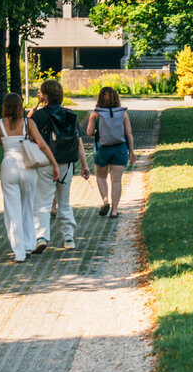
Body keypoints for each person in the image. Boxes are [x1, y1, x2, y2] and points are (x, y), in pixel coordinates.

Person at [0, 93, 59, 262]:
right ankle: (29, 244)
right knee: (27, 207)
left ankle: (19, 252)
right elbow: (43, 145)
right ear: (20, 106)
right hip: (28, 168)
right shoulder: (28, 123)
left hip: (9, 166)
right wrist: (53, 164)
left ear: (4, 107)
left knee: (12, 211)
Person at [29, 80, 90, 251]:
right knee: (64, 201)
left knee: (42, 201)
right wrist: (84, 164)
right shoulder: (70, 115)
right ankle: (68, 238)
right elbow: (78, 142)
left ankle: (41, 236)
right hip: (66, 163)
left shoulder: (37, 117)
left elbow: (31, 141)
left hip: (43, 163)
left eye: (40, 92)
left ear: (45, 96)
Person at [86, 87, 136, 218]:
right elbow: (129, 133)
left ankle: (105, 201)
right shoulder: (123, 113)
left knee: (101, 177)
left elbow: (89, 132)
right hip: (120, 148)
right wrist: (131, 151)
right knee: (117, 180)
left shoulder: (95, 113)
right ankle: (114, 211)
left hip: (102, 149)